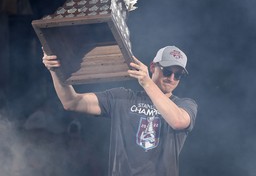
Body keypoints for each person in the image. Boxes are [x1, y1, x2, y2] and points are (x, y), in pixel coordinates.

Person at [42, 45, 198, 176]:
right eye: (167, 71)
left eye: (177, 75)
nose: (171, 78)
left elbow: (178, 121)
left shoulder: (185, 104)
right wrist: (55, 71)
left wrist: (147, 83)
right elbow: (72, 102)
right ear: (152, 67)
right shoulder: (123, 97)